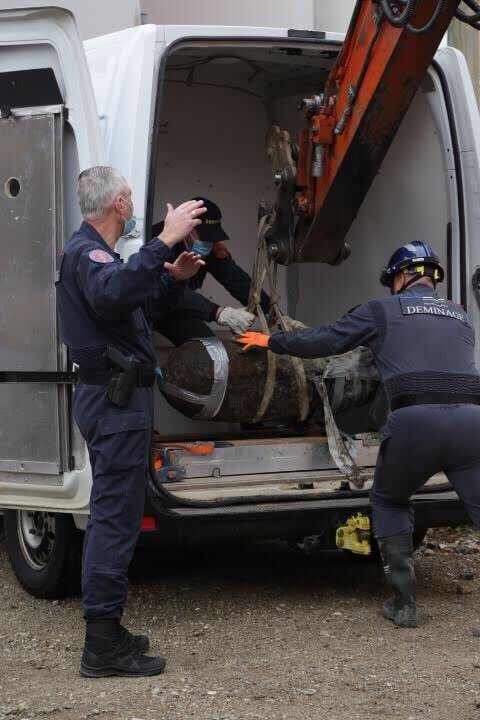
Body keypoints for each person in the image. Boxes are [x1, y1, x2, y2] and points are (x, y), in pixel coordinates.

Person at [238, 241, 480, 628]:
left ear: (400, 277)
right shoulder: (460, 314)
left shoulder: (382, 310)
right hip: (472, 421)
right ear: (432, 278)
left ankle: (404, 605)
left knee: (390, 500)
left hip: (416, 422)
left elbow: (328, 340)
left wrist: (271, 341)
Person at [56, 166, 207, 677]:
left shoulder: (101, 259)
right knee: (115, 520)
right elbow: (111, 293)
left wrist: (170, 278)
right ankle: (100, 643)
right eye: (130, 200)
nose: (134, 208)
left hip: (120, 403)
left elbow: (128, 304)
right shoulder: (88, 254)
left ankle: (108, 630)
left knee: (117, 516)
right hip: (115, 404)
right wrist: (164, 240)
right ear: (120, 204)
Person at [151, 197, 270, 345]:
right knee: (143, 356)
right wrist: (219, 313)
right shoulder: (158, 241)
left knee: (208, 347)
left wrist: (269, 312)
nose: (208, 242)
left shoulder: (207, 246)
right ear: (189, 226)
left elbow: (234, 278)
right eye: (205, 236)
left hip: (175, 309)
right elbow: (165, 290)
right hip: (144, 308)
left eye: (211, 237)